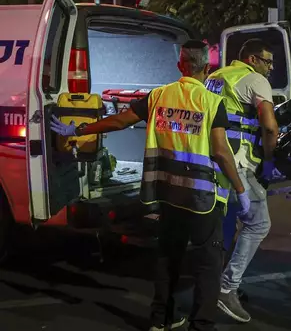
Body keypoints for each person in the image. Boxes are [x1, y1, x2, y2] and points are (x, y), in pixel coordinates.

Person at [51, 40, 249, 331]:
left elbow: (119, 121)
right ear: (207, 68)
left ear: (180, 65)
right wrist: (241, 191)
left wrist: (79, 129)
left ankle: (161, 320)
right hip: (201, 199)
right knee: (208, 263)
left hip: (167, 194)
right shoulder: (211, 102)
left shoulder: (158, 96)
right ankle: (201, 326)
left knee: (168, 256)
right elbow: (220, 151)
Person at [205, 38, 283, 323]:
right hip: (238, 164)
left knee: (223, 228)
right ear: (252, 59)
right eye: (267, 61)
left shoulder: (215, 77)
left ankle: (214, 284)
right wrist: (271, 161)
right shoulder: (254, 80)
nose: (271, 67)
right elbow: (269, 126)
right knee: (258, 223)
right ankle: (227, 288)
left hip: (211, 161)